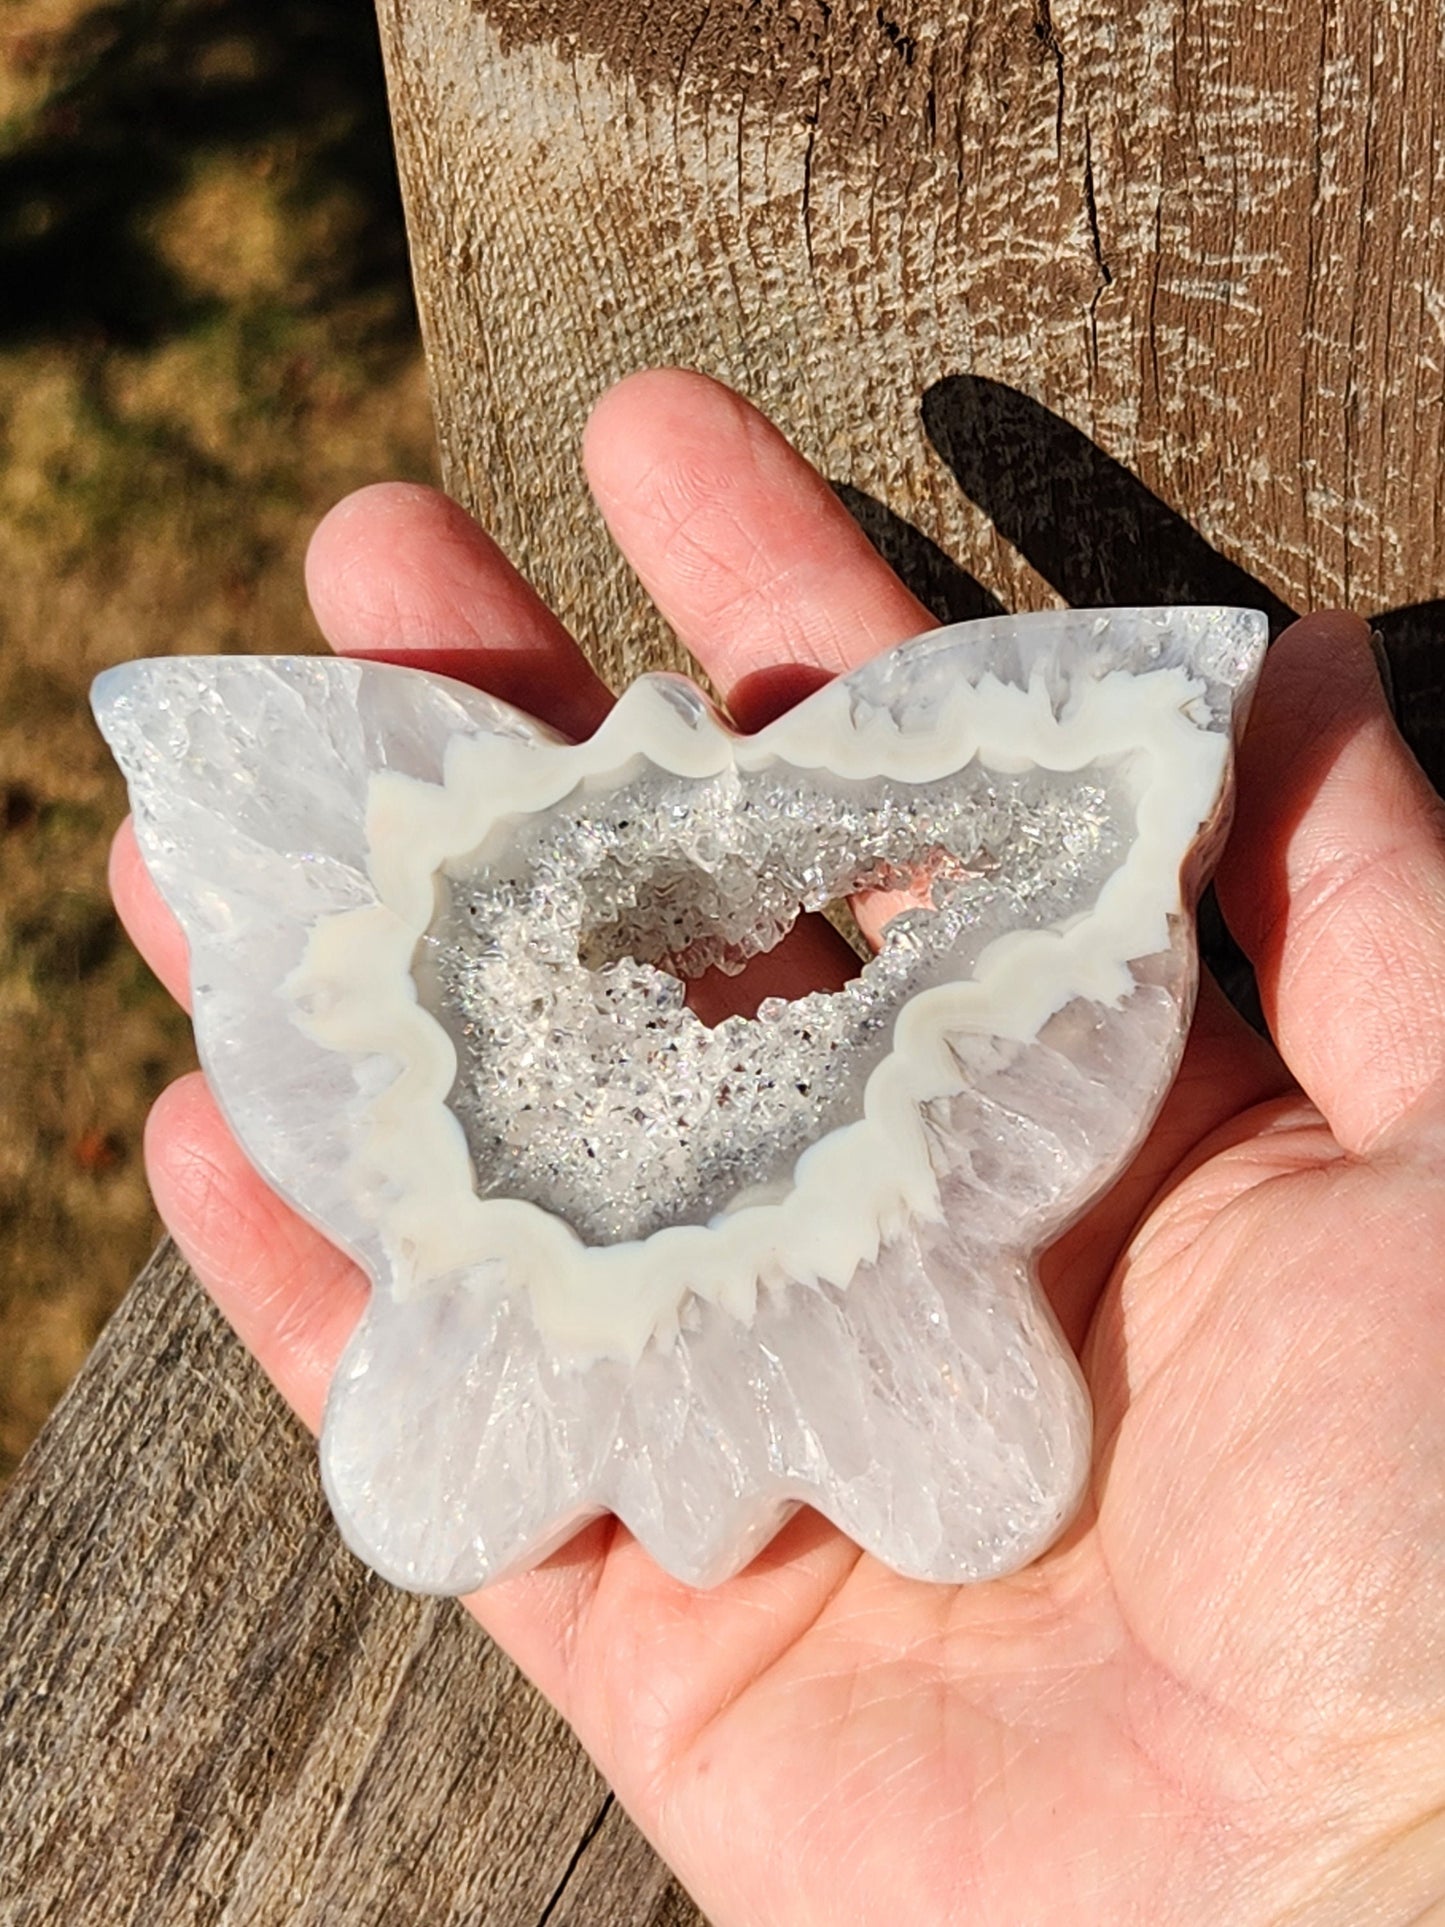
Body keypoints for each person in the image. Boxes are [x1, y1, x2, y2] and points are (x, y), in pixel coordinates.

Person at [110, 369, 1445, 1924]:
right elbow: (246, 780)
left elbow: (1119, 768)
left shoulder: (1088, 786)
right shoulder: (404, 969)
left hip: (890, 1318)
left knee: (963, 1469)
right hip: (542, 1294)